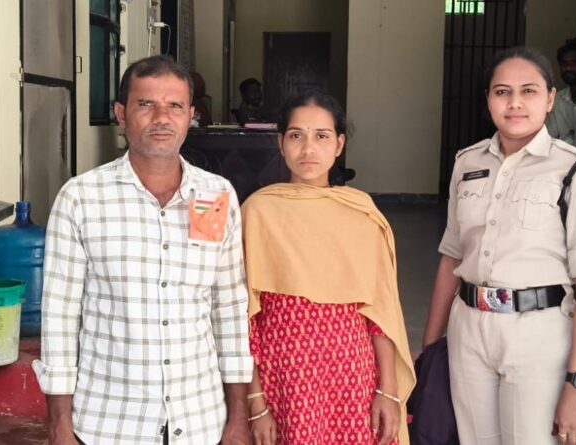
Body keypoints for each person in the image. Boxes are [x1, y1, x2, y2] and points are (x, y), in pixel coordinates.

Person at [33, 56, 253, 445]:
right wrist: (59, 422)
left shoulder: (214, 195)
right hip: (110, 423)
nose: (162, 118)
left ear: (191, 116)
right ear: (121, 114)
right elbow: (60, 315)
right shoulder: (82, 198)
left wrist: (238, 417)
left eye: (175, 106)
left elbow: (228, 307)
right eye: (146, 104)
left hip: (199, 420)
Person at [423, 47, 576, 445]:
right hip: (468, 327)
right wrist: (430, 348)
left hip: (539, 334)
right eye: (501, 92)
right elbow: (451, 258)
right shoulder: (467, 163)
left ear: (550, 99)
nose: (514, 103)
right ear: (488, 99)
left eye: (529, 91)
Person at [242, 91, 415, 445]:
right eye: (296, 135)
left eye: (321, 136)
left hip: (353, 378)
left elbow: (380, 313)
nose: (308, 148)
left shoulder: (361, 213)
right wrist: (256, 401)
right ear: (280, 143)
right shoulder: (257, 212)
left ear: (339, 144)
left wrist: (388, 390)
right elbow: (245, 319)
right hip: (285, 380)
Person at [547, 37, 576, 148]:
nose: (568, 68)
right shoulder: (558, 99)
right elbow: (550, 137)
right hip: (563, 156)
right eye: (564, 63)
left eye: (575, 63)